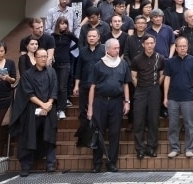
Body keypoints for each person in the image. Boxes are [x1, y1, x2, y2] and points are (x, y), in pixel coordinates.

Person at [9, 48, 57, 177]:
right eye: (40, 56)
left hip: (49, 109)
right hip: (32, 110)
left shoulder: (52, 72)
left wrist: (49, 104)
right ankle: (25, 166)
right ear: (35, 58)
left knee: (49, 136)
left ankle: (51, 164)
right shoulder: (27, 74)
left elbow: (54, 89)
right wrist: (42, 104)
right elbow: (28, 93)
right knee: (29, 136)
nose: (43, 58)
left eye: (45, 56)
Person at [87, 39, 132, 173]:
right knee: (98, 133)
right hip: (100, 102)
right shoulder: (98, 65)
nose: (117, 50)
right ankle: (97, 163)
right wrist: (90, 107)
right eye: (115, 48)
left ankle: (111, 162)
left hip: (116, 102)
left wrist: (127, 102)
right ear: (107, 49)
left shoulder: (123, 64)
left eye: (118, 48)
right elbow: (92, 87)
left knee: (114, 133)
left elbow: (125, 84)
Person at [164, 37, 193, 158]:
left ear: (187, 46)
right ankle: (175, 148)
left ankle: (189, 148)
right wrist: (165, 97)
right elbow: (167, 79)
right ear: (176, 47)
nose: (182, 48)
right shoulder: (170, 62)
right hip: (173, 97)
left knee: (189, 123)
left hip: (188, 97)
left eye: (184, 46)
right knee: (173, 123)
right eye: (180, 46)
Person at [130, 35, 165, 159]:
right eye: (147, 43)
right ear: (143, 44)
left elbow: (162, 75)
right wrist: (139, 86)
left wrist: (155, 85)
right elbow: (133, 76)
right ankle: (139, 148)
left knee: (153, 119)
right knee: (138, 120)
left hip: (155, 90)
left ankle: (151, 147)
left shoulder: (160, 58)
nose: (150, 45)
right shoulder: (136, 59)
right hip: (140, 90)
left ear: (154, 44)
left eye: (152, 43)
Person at [51, 16, 78, 119]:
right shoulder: (52, 36)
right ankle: (55, 108)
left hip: (65, 63)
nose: (64, 25)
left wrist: (71, 50)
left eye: (65, 23)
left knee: (62, 87)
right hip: (54, 64)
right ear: (58, 24)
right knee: (55, 87)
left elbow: (79, 42)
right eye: (62, 23)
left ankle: (61, 110)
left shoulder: (69, 35)